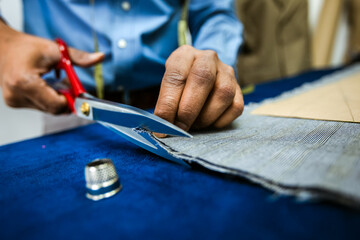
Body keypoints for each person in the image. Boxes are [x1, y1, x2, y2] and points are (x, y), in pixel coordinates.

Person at [0, 0, 244, 133]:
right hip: (68, 108)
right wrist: (5, 41)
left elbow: (216, 15)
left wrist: (212, 68)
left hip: (173, 107)